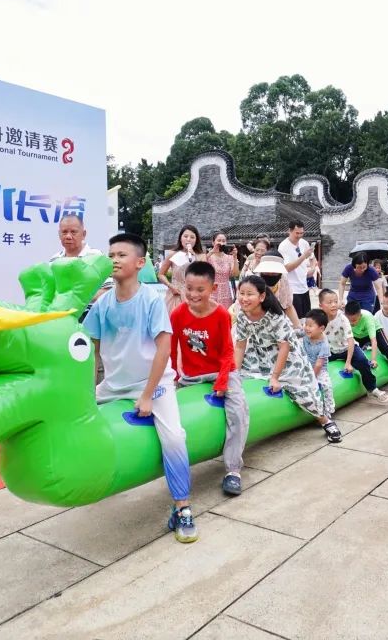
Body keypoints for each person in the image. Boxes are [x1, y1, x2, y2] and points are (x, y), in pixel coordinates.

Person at [83, 232, 197, 543]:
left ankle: (183, 508)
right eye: (111, 255)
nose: (114, 260)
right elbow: (92, 352)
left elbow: (164, 349)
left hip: (153, 385)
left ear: (140, 262)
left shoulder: (151, 300)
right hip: (113, 386)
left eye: (121, 255)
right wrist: (89, 392)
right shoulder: (103, 304)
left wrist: (147, 396)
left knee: (174, 437)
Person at [169, 261, 248, 496]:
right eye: (189, 288)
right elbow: (171, 350)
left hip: (222, 372)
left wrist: (222, 382)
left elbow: (227, 351)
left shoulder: (222, 314)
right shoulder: (177, 314)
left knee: (238, 413)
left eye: (200, 290)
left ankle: (233, 470)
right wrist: (173, 377)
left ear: (213, 289)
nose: (193, 294)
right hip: (191, 376)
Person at [234, 275, 342, 442]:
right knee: (233, 376)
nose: (244, 298)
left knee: (301, 390)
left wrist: (275, 377)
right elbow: (240, 346)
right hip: (258, 355)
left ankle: (325, 421)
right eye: (241, 293)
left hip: (287, 358)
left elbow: (284, 347)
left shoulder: (275, 316)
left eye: (249, 294)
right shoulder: (242, 315)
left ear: (262, 296)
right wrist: (234, 374)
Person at [318, 288, 388, 403]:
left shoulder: (343, 318)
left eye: (335, 301)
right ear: (321, 306)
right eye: (329, 302)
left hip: (347, 348)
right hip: (330, 350)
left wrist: (348, 363)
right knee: (315, 363)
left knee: (363, 361)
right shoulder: (319, 319)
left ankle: (372, 388)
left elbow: (350, 341)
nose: (333, 305)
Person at [49, 214, 114, 319]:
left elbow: (108, 290)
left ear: (83, 234)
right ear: (59, 234)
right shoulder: (54, 260)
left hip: (90, 317)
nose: (68, 236)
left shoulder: (96, 257)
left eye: (73, 232)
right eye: (64, 232)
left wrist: (76, 298)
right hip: (60, 318)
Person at [345, 300, 388, 384]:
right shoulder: (343, 319)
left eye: (354, 320)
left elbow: (373, 340)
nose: (351, 323)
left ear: (360, 315)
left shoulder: (367, 317)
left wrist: (373, 359)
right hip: (357, 336)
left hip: (376, 331)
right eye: (349, 320)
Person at [302, 309, 339, 438]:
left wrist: (311, 378)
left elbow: (318, 364)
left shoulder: (324, 344)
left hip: (319, 370)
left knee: (326, 386)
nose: (307, 328)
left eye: (310, 326)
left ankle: (327, 412)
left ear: (321, 328)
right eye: (306, 324)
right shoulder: (305, 334)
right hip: (305, 367)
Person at [242, 255, 300, 329]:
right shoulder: (252, 282)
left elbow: (288, 306)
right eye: (267, 272)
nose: (270, 274)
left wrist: (298, 327)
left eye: (274, 273)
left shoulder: (283, 279)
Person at [158, 225, 205, 316]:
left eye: (192, 237)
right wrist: (170, 286)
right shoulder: (172, 254)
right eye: (185, 236)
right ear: (180, 238)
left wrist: (194, 256)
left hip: (195, 296)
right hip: (176, 294)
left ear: (196, 240)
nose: (188, 239)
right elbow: (161, 274)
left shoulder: (201, 256)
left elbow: (204, 274)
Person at [278, 221, 315, 318]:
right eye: (297, 233)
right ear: (289, 231)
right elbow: (286, 268)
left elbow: (312, 257)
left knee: (307, 317)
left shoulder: (304, 243)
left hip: (304, 286)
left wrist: (313, 268)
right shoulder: (283, 246)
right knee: (296, 319)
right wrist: (303, 256)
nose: (299, 236)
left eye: (301, 233)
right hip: (291, 288)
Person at [205, 232, 236, 309]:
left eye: (223, 241)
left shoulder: (229, 258)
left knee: (225, 313)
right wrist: (212, 251)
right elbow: (200, 265)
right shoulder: (208, 257)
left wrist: (235, 257)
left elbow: (234, 274)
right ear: (213, 242)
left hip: (226, 291)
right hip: (212, 290)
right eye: (219, 240)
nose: (221, 243)